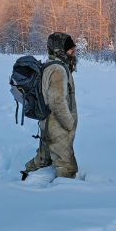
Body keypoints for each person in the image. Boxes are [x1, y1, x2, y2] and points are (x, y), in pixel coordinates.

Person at [21, 32, 79, 180]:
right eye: (70, 47)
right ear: (59, 49)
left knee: (43, 159)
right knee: (67, 168)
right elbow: (57, 102)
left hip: (48, 124)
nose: (74, 49)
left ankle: (25, 175)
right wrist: (69, 124)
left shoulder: (51, 65)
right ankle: (61, 198)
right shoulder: (58, 70)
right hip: (58, 127)